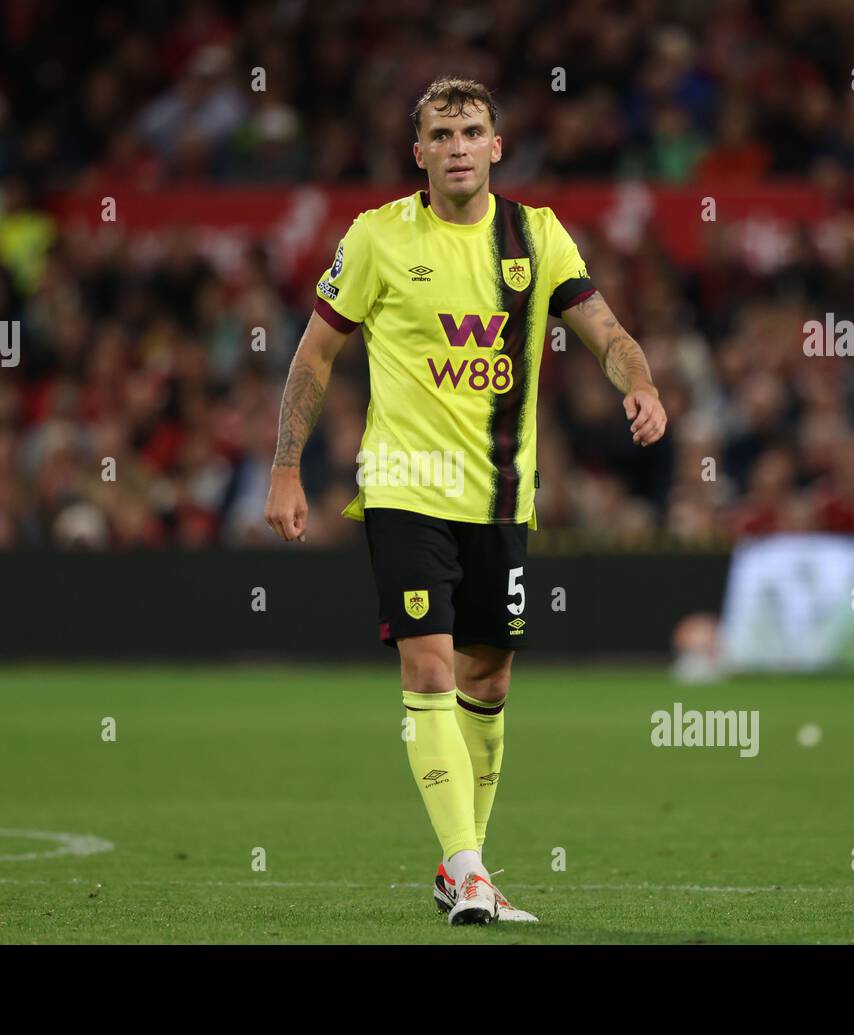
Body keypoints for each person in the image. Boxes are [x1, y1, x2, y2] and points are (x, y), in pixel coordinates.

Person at [264, 77, 667, 925]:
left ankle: (461, 866)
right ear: (419, 152)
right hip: (406, 490)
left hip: (503, 496)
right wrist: (285, 464)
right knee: (432, 666)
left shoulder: (538, 236)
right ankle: (472, 870)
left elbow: (605, 330)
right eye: (439, 133)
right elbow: (312, 358)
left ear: (496, 144)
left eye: (471, 131)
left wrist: (640, 381)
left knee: (489, 676)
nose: (456, 146)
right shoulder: (376, 237)